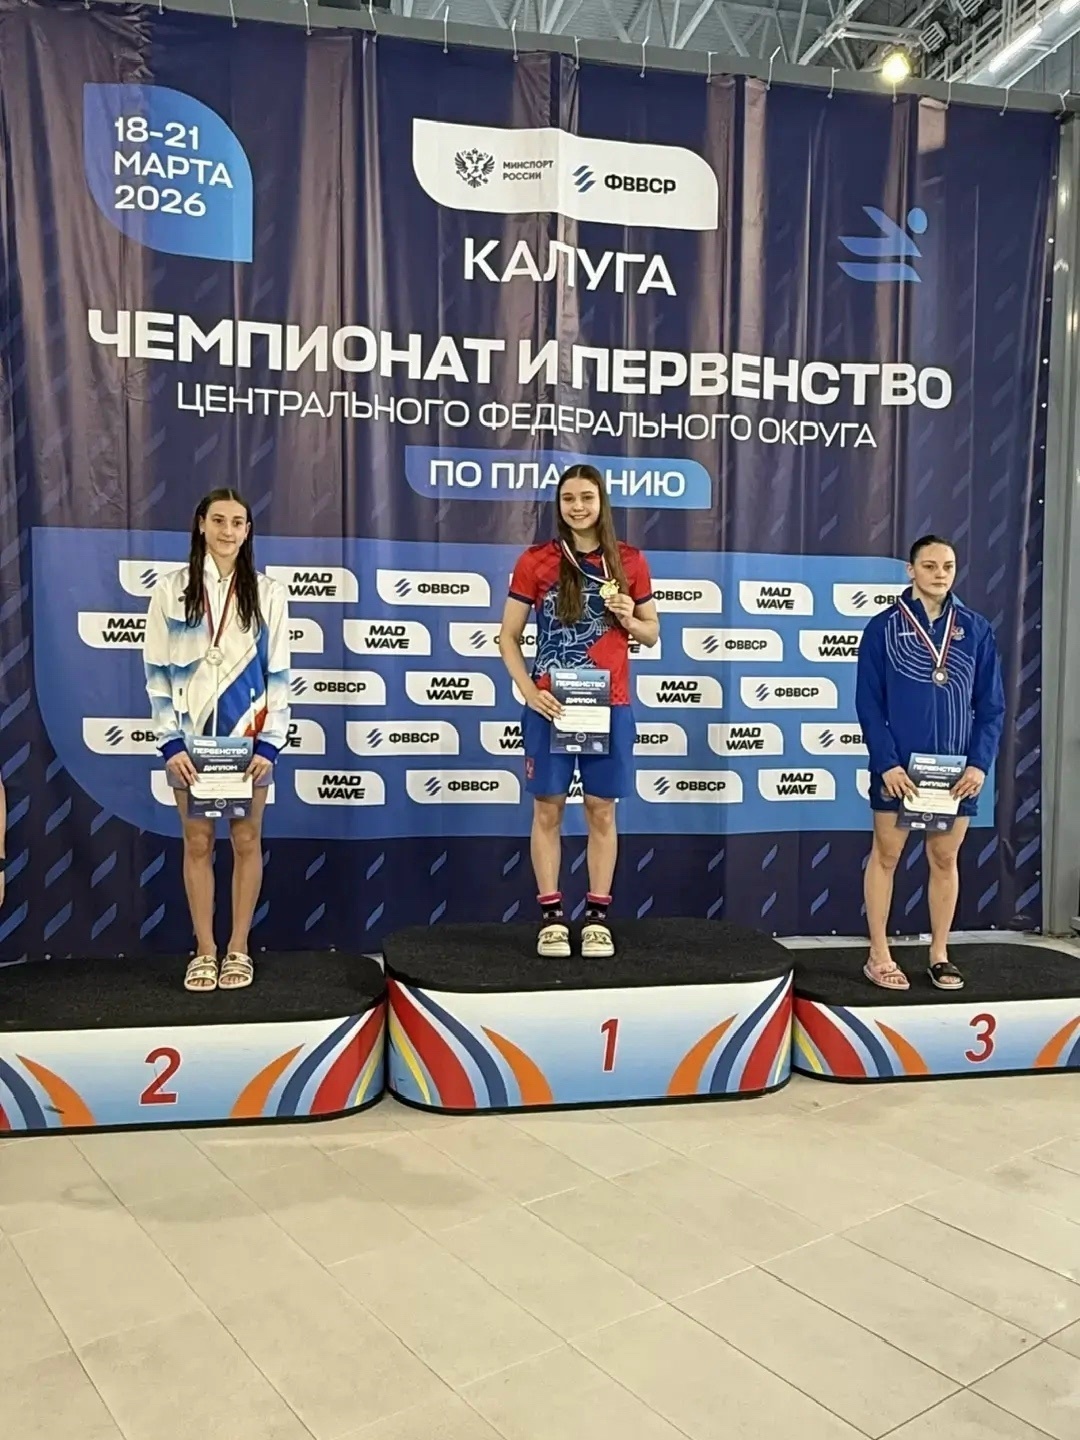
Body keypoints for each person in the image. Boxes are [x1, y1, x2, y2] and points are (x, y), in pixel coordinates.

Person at [498, 463, 659, 959]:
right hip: (552, 705)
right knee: (547, 809)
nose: (577, 507)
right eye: (568, 498)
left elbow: (652, 633)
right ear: (559, 505)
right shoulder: (536, 561)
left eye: (586, 497)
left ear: (601, 502)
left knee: (601, 810)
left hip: (609, 705)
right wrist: (528, 690)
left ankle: (596, 917)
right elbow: (507, 636)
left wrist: (630, 617)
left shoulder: (629, 561)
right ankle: (551, 916)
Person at [144, 489, 290, 992]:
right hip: (191, 745)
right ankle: (205, 949)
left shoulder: (268, 592)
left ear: (248, 531)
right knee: (198, 841)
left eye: (239, 522)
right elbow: (156, 672)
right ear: (201, 524)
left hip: (248, 743)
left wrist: (270, 743)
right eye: (220, 520)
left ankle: (238, 948)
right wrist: (170, 743)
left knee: (246, 839)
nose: (229, 531)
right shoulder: (171, 589)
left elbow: (280, 673)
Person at [855, 534, 1005, 992]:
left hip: (955, 773)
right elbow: (868, 704)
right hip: (899, 770)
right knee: (887, 856)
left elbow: (991, 707)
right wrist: (886, 764)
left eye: (948, 566)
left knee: (944, 858)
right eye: (930, 565)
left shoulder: (975, 629)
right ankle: (878, 955)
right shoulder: (883, 628)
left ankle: (939, 953)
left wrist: (978, 765)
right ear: (911, 570)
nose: (941, 574)